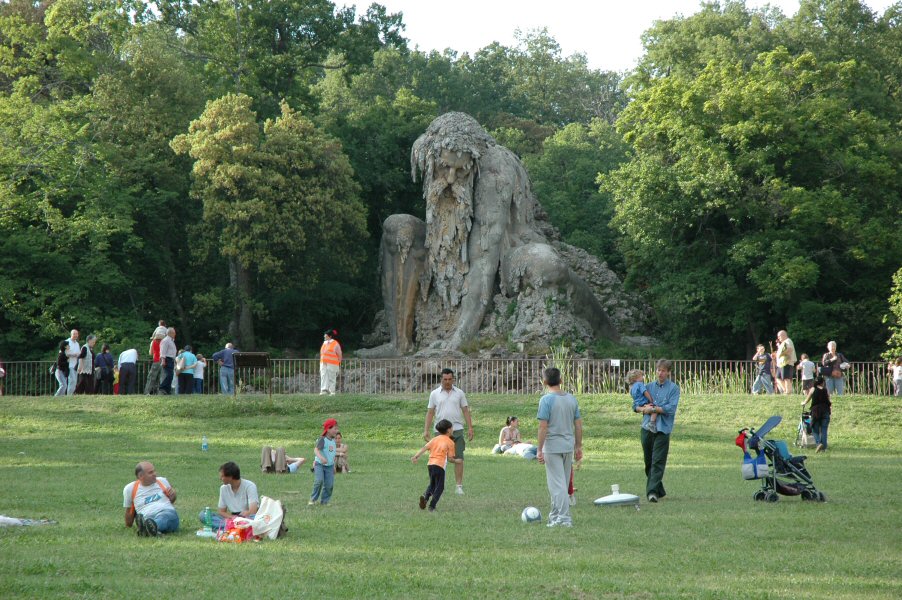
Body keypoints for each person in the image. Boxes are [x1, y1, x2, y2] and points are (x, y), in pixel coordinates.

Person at [536, 367, 582, 528]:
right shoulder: (571, 399)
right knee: (562, 482)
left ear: (544, 382)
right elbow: (578, 425)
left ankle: (564, 518)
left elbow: (543, 427)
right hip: (568, 446)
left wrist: (539, 449)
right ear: (561, 380)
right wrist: (578, 446)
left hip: (552, 447)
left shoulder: (546, 400)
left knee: (557, 485)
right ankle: (555, 516)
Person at [634, 359, 680, 503]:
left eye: (663, 371)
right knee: (648, 462)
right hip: (646, 428)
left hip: (663, 429)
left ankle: (652, 493)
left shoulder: (674, 388)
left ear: (668, 372)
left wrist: (654, 409)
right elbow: (635, 405)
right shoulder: (647, 387)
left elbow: (671, 409)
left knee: (658, 462)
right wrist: (643, 409)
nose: (660, 373)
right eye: (658, 370)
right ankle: (659, 490)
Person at [423, 368, 474, 495]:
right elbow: (430, 412)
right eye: (445, 379)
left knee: (459, 458)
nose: (447, 382)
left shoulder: (460, 393)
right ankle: (436, 485)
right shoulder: (434, 394)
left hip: (457, 430)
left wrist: (470, 428)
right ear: (441, 379)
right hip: (440, 431)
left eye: (450, 379)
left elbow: (465, 410)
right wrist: (426, 430)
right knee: (439, 459)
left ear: (453, 379)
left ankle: (459, 486)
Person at [412, 419, 461, 512]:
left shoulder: (434, 439)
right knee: (440, 487)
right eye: (452, 428)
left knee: (433, 484)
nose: (453, 429)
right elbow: (450, 459)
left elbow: (424, 448)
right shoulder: (450, 442)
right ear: (448, 430)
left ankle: (425, 498)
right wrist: (457, 461)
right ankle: (432, 506)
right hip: (439, 466)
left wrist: (416, 456)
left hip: (430, 465)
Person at [123, 461, 179, 536]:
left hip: (167, 513)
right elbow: (129, 512)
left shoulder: (162, 481)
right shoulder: (130, 489)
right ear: (141, 476)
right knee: (148, 520)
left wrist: (173, 495)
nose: (155, 474)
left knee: (165, 517)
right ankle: (149, 528)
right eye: (150, 472)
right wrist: (128, 525)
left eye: (154, 471)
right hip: (147, 517)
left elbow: (172, 500)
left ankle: (148, 528)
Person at [198, 461, 259, 530]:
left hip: (247, 518)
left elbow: (253, 511)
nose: (220, 478)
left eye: (222, 476)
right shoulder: (223, 488)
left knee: (256, 519)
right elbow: (221, 511)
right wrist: (233, 517)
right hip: (232, 518)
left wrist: (242, 517)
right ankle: (233, 527)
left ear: (230, 477)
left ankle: (229, 527)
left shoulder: (250, 486)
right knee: (203, 515)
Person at [309, 418, 339, 506]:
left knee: (329, 485)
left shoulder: (333, 441)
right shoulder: (322, 439)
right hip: (319, 465)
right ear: (328, 429)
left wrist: (333, 466)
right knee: (319, 481)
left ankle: (324, 501)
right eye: (335, 429)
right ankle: (313, 500)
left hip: (330, 466)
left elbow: (332, 454)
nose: (336, 431)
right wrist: (321, 458)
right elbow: (316, 450)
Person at [801, 376, 832, 453]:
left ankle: (818, 443)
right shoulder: (825, 390)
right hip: (825, 410)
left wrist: (803, 403)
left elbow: (807, 400)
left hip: (816, 412)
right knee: (824, 430)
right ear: (822, 382)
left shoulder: (813, 389)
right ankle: (824, 448)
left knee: (814, 429)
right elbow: (829, 401)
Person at [319, 329, 342, 395]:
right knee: (323, 376)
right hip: (323, 363)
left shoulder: (335, 343)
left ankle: (332, 391)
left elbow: (339, 354)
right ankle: (324, 390)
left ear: (330, 336)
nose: (324, 337)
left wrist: (339, 362)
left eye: (326, 336)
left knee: (332, 377)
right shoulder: (324, 343)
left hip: (332, 363)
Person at [775, 330, 797, 395]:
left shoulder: (788, 340)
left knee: (786, 378)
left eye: (779, 336)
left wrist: (781, 354)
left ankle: (788, 392)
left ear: (783, 335)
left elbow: (790, 349)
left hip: (786, 362)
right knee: (778, 378)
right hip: (781, 363)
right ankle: (786, 390)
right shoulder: (783, 342)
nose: (778, 338)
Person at [144, 328, 165, 395]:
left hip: (156, 361)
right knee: (161, 377)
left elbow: (150, 353)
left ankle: (147, 392)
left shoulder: (153, 342)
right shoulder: (164, 342)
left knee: (151, 377)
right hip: (163, 361)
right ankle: (160, 392)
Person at [159, 327, 177, 395]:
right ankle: (162, 387)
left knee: (171, 375)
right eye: (174, 333)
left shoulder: (171, 341)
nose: (175, 334)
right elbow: (163, 351)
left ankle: (167, 390)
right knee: (169, 375)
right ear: (170, 333)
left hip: (171, 359)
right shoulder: (166, 340)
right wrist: (163, 360)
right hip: (167, 359)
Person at [65, 329, 80, 395]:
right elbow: (63, 353)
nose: (76, 335)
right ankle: (69, 395)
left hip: (75, 365)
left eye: (77, 334)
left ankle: (71, 394)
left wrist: (78, 355)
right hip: (69, 364)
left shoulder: (77, 343)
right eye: (74, 334)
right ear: (71, 334)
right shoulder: (67, 342)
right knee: (72, 380)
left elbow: (79, 353)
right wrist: (73, 355)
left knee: (75, 381)